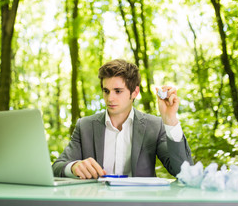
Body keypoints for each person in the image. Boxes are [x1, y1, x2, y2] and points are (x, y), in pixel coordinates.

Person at [52, 59, 193, 179]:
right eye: (106, 91)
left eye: (118, 91)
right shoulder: (85, 126)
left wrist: (170, 119)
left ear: (135, 92)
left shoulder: (154, 126)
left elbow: (185, 173)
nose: (110, 98)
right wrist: (73, 167)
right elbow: (57, 167)